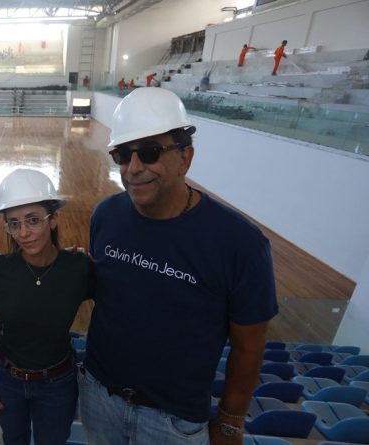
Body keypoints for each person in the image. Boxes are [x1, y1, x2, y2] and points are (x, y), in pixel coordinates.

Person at [80, 87, 278, 445]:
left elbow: (249, 346)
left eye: (150, 152)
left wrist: (231, 421)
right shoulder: (105, 216)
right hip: (99, 399)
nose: (134, 168)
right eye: (123, 155)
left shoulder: (241, 244)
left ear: (185, 157)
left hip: (174, 422)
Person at [0, 169, 93, 445]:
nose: (24, 233)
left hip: (58, 385)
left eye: (33, 221)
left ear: (53, 219)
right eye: (14, 224)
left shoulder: (79, 269)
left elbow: (111, 315)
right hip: (7, 381)